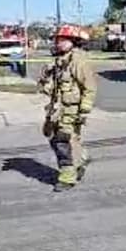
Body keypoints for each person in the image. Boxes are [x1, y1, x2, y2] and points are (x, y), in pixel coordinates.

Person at [38, 24, 97, 192]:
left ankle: (67, 177)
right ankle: (80, 159)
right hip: (57, 109)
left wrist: (84, 111)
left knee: (63, 141)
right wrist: (45, 77)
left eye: (63, 40)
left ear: (74, 41)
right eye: (58, 40)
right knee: (58, 138)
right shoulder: (59, 60)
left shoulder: (79, 61)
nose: (59, 43)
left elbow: (89, 87)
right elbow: (50, 86)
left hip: (71, 110)